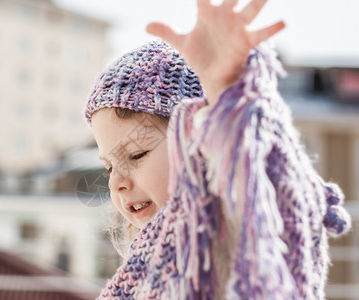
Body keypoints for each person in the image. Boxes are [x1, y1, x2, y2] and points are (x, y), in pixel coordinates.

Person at [84, 0, 351, 299]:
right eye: (108, 166)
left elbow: (240, 156)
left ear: (198, 144)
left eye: (136, 155)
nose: (116, 182)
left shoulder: (232, 228)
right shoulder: (148, 259)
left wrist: (221, 86)